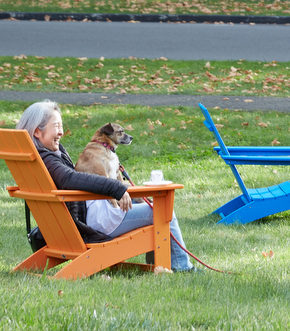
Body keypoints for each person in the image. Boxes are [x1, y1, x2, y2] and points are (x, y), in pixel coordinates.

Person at [15, 100, 196, 272]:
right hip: (95, 221)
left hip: (78, 223)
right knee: (161, 210)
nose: (61, 132)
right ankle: (183, 267)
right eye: (56, 126)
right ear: (37, 132)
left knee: (149, 205)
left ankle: (159, 264)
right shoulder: (47, 159)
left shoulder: (38, 157)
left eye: (61, 126)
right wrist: (115, 188)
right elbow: (69, 179)